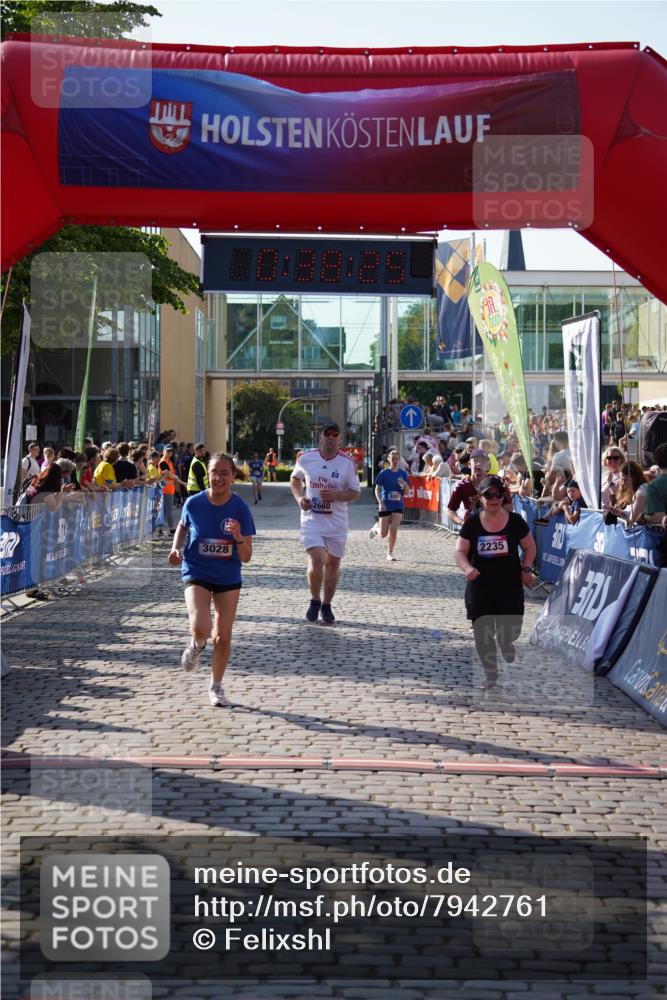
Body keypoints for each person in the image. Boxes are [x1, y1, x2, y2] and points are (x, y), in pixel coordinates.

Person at [168, 453, 255, 707]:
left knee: (223, 638)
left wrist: (238, 537)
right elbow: (183, 526)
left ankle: (216, 686)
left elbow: (247, 556)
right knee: (201, 628)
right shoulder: (194, 503)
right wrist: (176, 548)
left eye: (224, 473)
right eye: (214, 472)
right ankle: (196, 645)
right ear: (208, 474)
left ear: (232, 477)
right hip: (197, 570)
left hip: (228, 575)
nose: (218, 478)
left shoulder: (240, 508)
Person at [455, 475, 537, 690]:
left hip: (509, 585)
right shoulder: (472, 523)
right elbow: (460, 551)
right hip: (480, 586)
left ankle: (506, 641)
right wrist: (467, 568)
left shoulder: (515, 521)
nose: (494, 499)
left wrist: (526, 568)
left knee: (511, 629)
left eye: (498, 494)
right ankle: (491, 675)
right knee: (482, 632)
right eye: (489, 495)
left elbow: (530, 547)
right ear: (480, 498)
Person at [290, 422, 361, 625]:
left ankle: (327, 604)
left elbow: (355, 491)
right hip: (312, 519)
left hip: (337, 522)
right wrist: (299, 498)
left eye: (334, 434)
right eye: (326, 434)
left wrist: (336, 495)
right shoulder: (306, 458)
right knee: (317, 559)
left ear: (339, 438)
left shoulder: (347, 463)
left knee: (333, 564)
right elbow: (295, 480)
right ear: (320, 436)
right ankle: (314, 599)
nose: (330, 437)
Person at [446, 449, 511, 526]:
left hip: (494, 525)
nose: (479, 464)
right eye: (475, 460)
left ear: (487, 465)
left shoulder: (497, 481)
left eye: (482, 461)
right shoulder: (462, 485)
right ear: (470, 464)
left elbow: (509, 506)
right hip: (472, 526)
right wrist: (462, 522)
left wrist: (496, 517)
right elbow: (450, 511)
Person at [370, 448, 410, 560]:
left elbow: (407, 493)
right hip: (385, 504)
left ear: (400, 460)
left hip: (398, 505)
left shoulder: (403, 474)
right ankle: (376, 529)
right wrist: (380, 502)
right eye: (393, 459)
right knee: (383, 534)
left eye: (397, 459)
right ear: (389, 459)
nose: (395, 461)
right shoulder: (384, 473)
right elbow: (377, 489)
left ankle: (390, 553)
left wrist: (404, 484)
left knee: (393, 528)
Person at [159, 442, 187, 534]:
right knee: (168, 511)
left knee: (165, 511)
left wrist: (177, 479)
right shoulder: (163, 461)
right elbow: (170, 475)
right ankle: (171, 529)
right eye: (167, 451)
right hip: (166, 489)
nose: (169, 453)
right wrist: (177, 479)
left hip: (169, 489)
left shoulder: (169, 462)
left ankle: (160, 529)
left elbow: (172, 476)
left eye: (171, 451)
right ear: (163, 451)